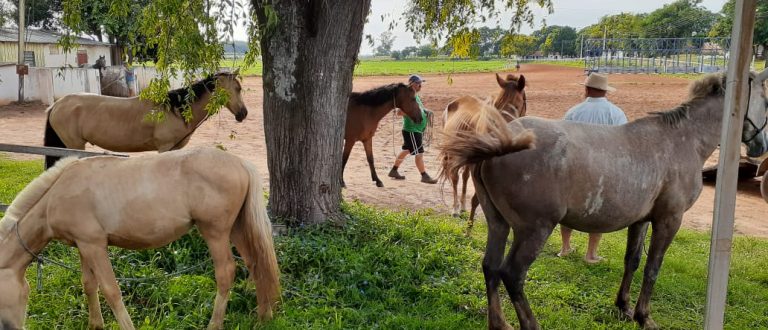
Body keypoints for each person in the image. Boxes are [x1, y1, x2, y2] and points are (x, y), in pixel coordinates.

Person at [559, 72, 628, 264]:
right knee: (598, 210)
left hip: (576, 166)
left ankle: (565, 247)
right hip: (603, 169)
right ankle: (591, 253)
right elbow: (624, 144)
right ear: (605, 92)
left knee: (567, 208)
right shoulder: (616, 113)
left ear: (587, 89)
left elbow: (564, 140)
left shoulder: (574, 112)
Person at [388, 74, 438, 184]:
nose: (420, 85)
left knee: (407, 150)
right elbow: (399, 112)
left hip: (414, 130)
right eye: (418, 83)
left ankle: (394, 171)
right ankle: (424, 176)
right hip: (412, 130)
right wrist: (412, 112)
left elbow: (417, 108)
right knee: (419, 153)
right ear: (412, 84)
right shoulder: (407, 97)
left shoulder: (414, 95)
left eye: (421, 83)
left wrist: (425, 111)